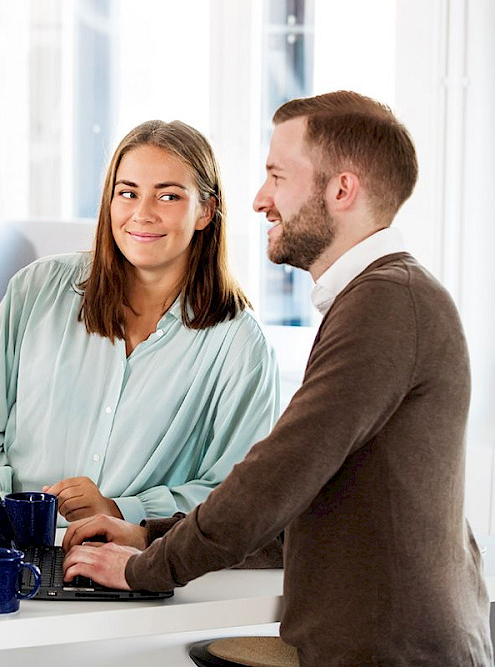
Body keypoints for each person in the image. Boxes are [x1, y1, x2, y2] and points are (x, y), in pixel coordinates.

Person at [62, 91, 493, 666]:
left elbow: (278, 476)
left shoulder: (387, 305)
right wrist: (152, 534)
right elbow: (308, 499)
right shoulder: (379, 298)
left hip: (392, 651)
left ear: (342, 190)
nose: (261, 199)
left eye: (277, 176)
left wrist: (147, 569)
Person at [0, 120, 280, 533]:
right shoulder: (38, 290)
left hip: (142, 570)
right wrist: (19, 517)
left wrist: (120, 510)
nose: (142, 214)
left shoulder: (239, 344)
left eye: (168, 196)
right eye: (127, 193)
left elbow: (237, 495)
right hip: (11, 555)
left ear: (205, 211)